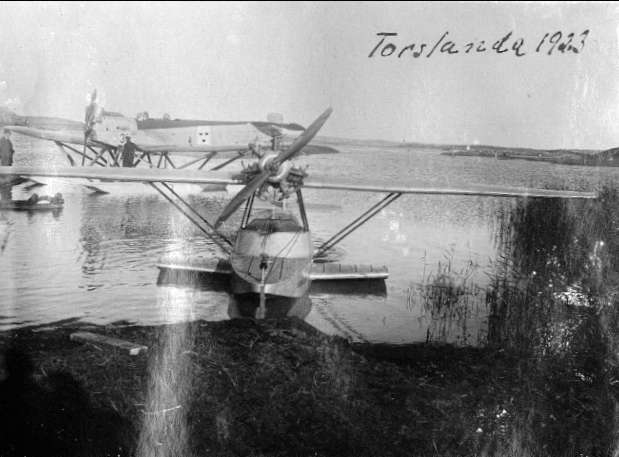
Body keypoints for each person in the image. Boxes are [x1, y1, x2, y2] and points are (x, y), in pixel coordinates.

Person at [0, 129, 15, 200]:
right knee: (5, 174)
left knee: (8, 174)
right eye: (8, 134)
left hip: (9, 160)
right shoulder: (1, 141)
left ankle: (8, 197)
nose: (9, 135)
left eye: (10, 134)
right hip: (4, 160)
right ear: (5, 134)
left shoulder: (9, 141)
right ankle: (4, 196)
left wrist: (12, 151)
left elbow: (11, 150)